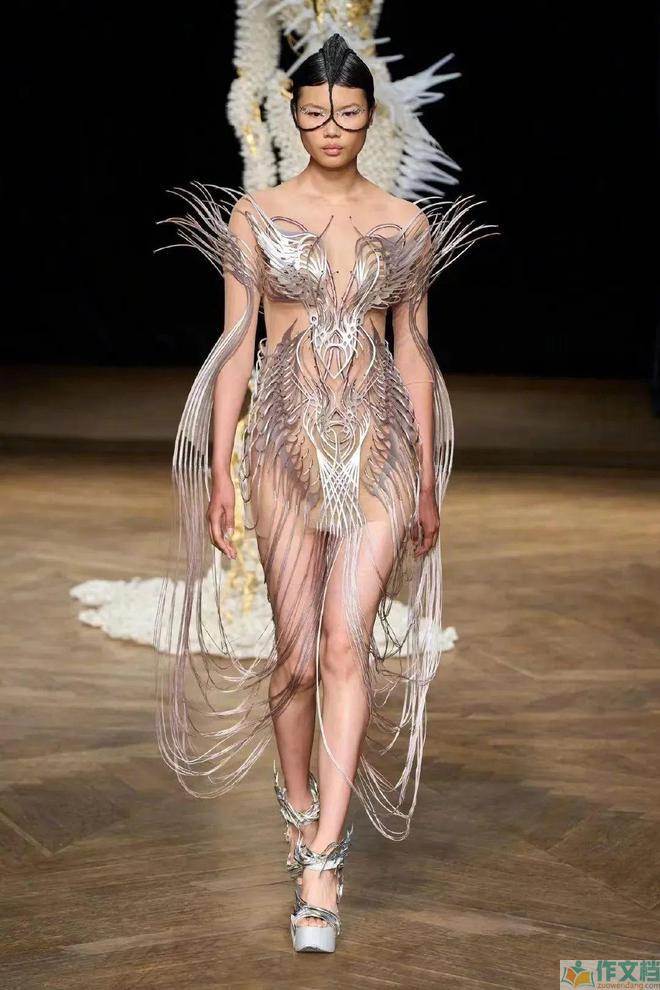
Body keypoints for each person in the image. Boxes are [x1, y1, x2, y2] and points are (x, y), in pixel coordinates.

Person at [155, 32, 497, 954]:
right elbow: (237, 350)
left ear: (370, 116)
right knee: (299, 656)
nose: (332, 128)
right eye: (314, 114)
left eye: (347, 113)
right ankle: (299, 804)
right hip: (282, 448)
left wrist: (427, 477)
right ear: (294, 117)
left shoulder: (406, 222)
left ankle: (322, 863)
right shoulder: (256, 214)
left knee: (347, 642)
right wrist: (220, 468)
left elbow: (412, 353)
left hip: (380, 452)